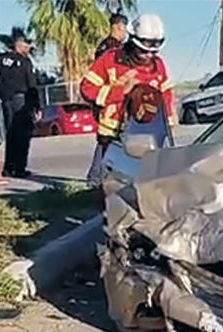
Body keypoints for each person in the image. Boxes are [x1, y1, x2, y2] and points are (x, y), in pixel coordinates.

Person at [80, 13, 174, 207]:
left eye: (153, 52)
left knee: (146, 186)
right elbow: (87, 88)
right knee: (106, 186)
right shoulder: (109, 60)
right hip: (112, 136)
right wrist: (120, 91)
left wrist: (169, 121)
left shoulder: (159, 65)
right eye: (144, 51)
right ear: (133, 41)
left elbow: (166, 94)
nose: (149, 56)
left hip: (147, 138)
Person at [0, 27, 40, 179]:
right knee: (23, 136)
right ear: (19, 45)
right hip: (22, 100)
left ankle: (9, 167)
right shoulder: (25, 62)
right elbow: (32, 85)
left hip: (6, 100)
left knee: (11, 134)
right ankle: (19, 168)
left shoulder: (1, 59)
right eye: (26, 45)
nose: (28, 48)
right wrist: (36, 106)